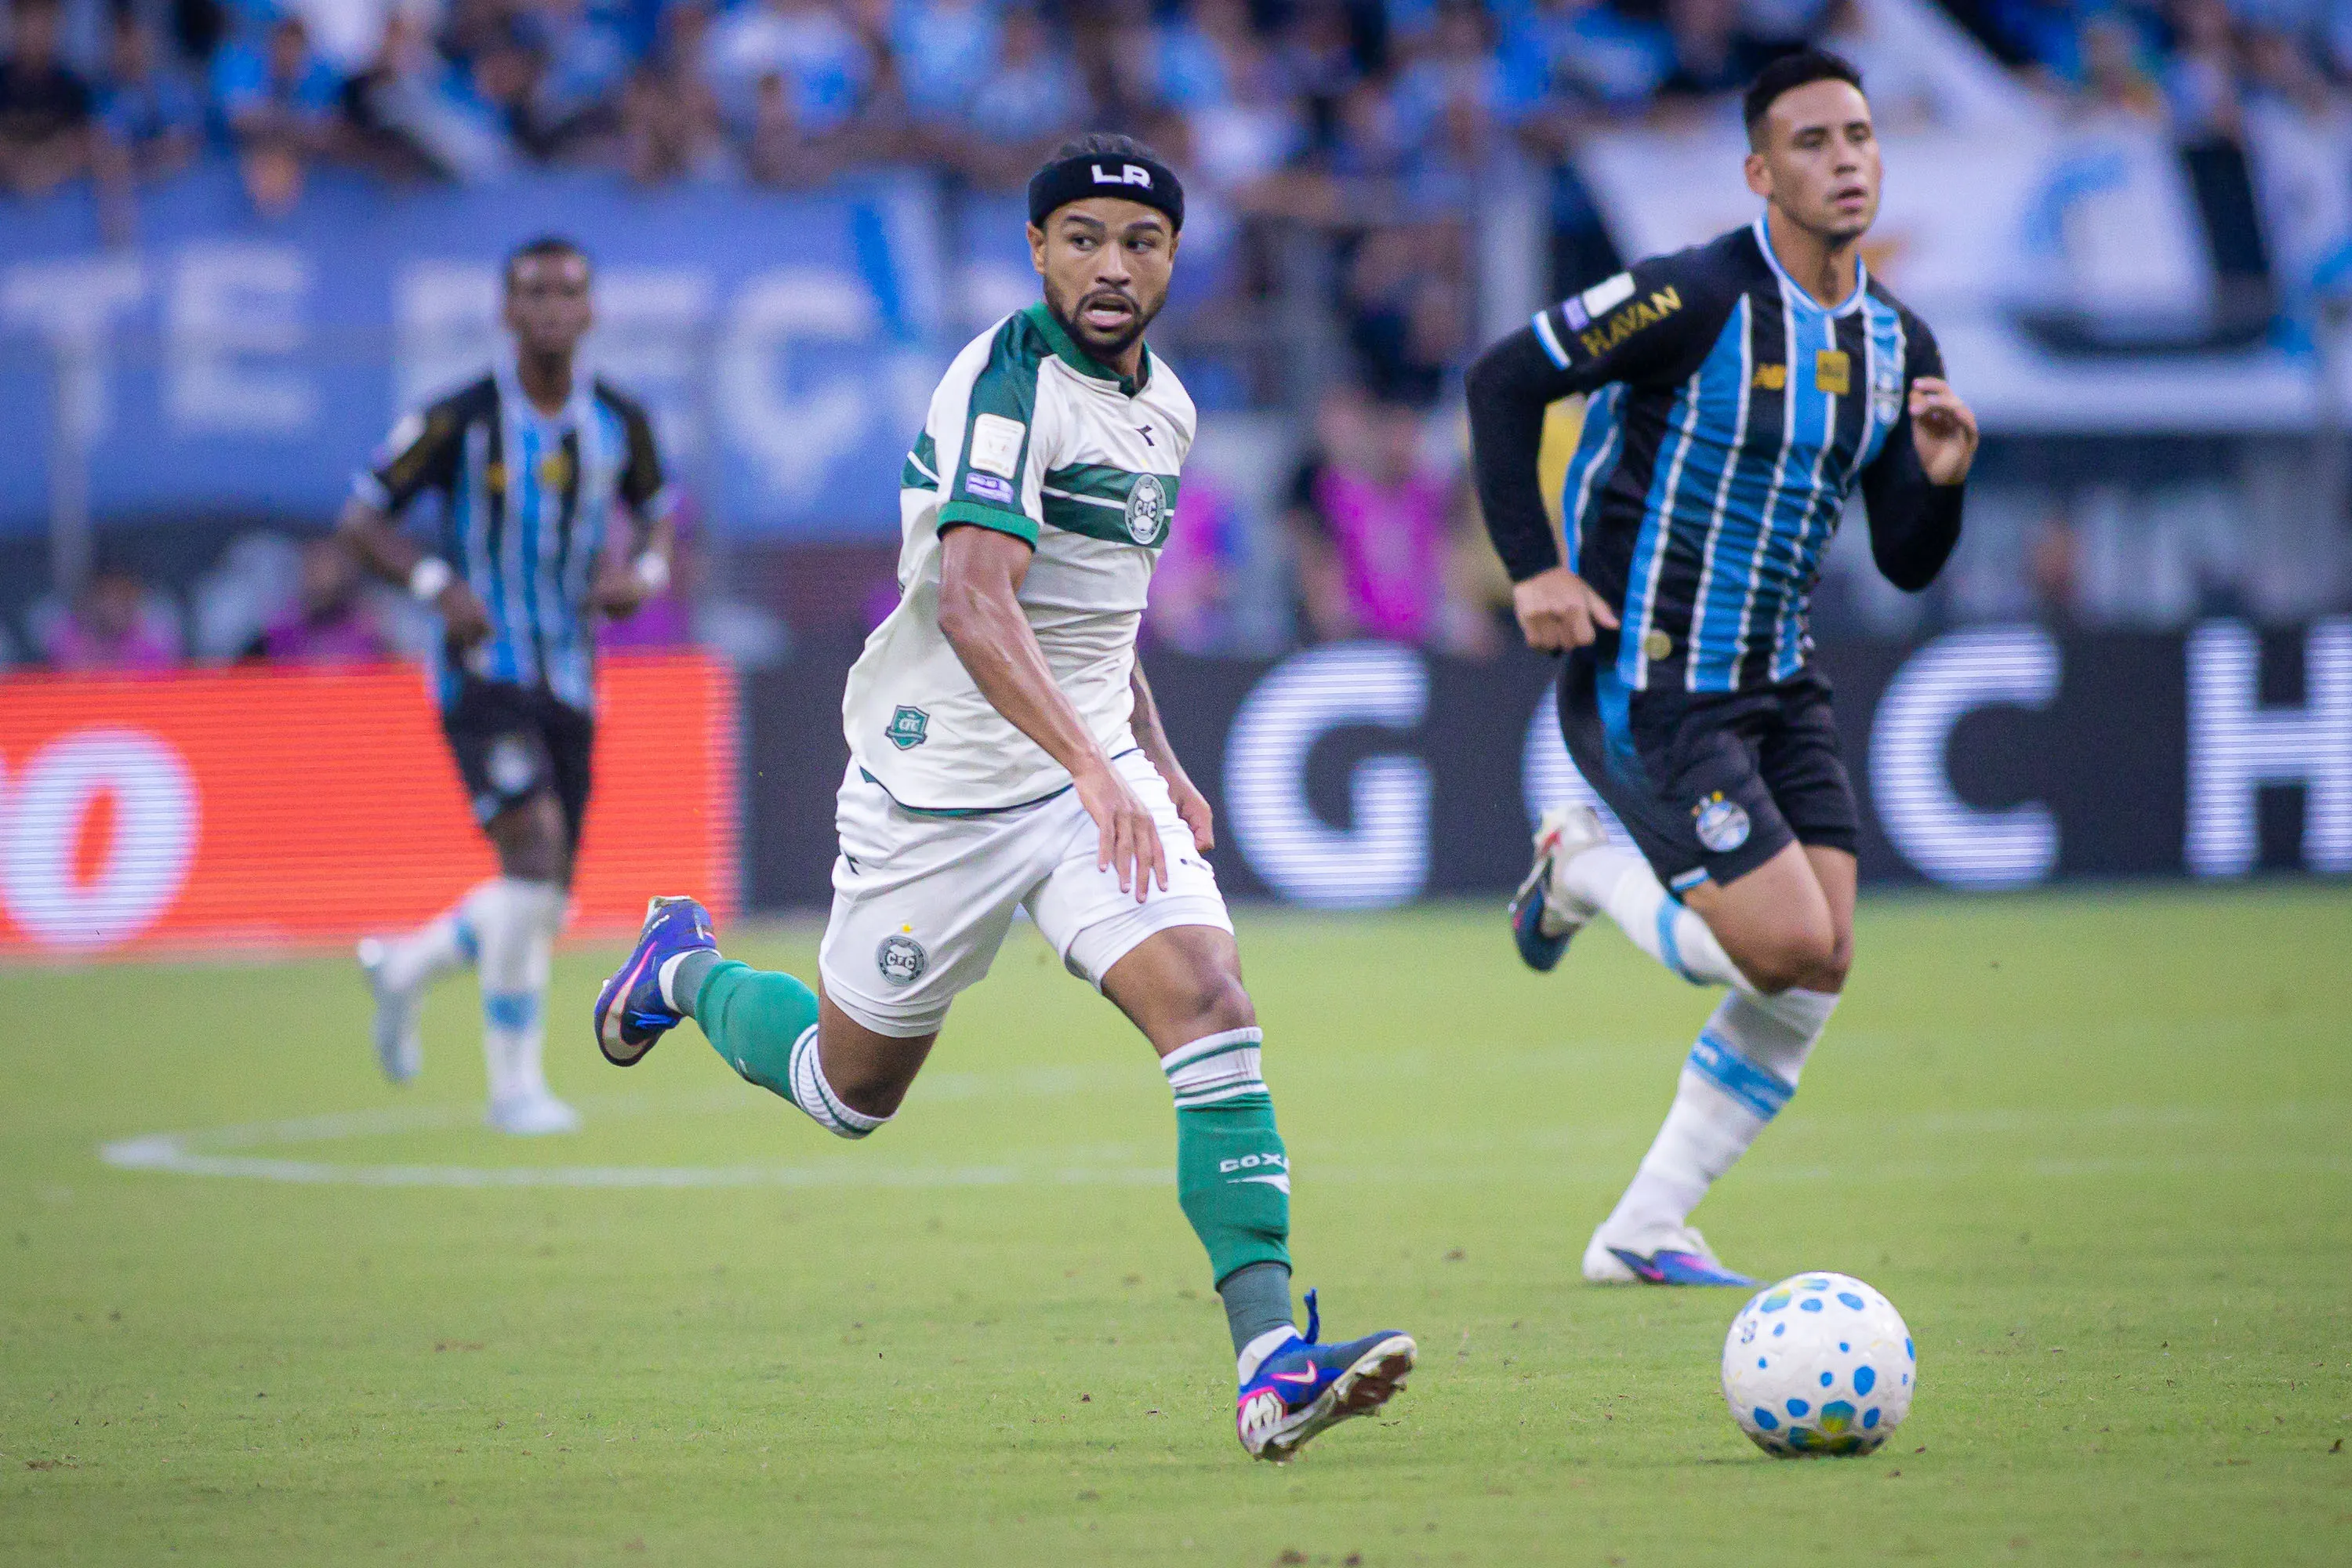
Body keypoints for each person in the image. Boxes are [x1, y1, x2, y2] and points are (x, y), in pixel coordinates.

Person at [592, 133, 1415, 1463]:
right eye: (1083, 238)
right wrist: (1093, 765)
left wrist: (1150, 756)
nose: (1112, 265)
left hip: (1087, 776)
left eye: (1140, 242)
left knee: (1212, 1005)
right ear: (1038, 251)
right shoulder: (1006, 385)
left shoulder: (1167, 409)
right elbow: (979, 604)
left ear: (1174, 260)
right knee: (848, 1090)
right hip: (940, 790)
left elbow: (1095, 619)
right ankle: (681, 971)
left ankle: (1271, 1367)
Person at [1464, 50, 1977, 1287]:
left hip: (1780, 682)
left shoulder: (1897, 339)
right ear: (1759, 172)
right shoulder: (1689, 297)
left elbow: (1906, 561)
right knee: (1783, 945)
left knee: (1822, 960)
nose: (1845, 160)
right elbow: (1503, 379)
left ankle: (1643, 1228)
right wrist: (1533, 569)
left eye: (1859, 136)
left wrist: (1946, 483)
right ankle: (1581, 867)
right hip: (1649, 682)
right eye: (1812, 142)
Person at [341, 235, 676, 1135]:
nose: (552, 308)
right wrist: (433, 584)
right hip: (482, 669)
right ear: (507, 310)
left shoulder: (621, 421)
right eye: (535, 293)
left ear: (591, 310)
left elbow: (658, 517)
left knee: (546, 899)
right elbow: (362, 517)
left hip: (572, 675)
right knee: (531, 858)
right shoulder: (460, 418)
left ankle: (406, 967)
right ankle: (514, 1089)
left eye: (568, 292)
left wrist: (643, 577)